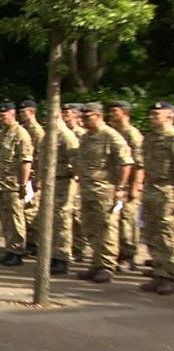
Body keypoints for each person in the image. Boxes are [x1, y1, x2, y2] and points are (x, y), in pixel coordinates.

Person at [76, 102, 133, 283]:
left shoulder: (110, 135)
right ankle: (96, 263)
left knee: (107, 228)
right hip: (87, 190)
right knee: (90, 228)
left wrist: (121, 188)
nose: (83, 120)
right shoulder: (85, 137)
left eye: (87, 117)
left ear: (98, 116)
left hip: (105, 191)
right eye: (82, 117)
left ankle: (107, 266)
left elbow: (126, 162)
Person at [0, 102, 33, 266]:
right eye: (0, 115)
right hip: (1, 184)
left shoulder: (21, 134)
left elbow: (26, 161)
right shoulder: (0, 134)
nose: (2, 118)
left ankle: (17, 251)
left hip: (14, 185)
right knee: (5, 219)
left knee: (16, 219)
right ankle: (9, 249)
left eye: (4, 115)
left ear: (12, 114)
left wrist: (23, 184)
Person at [139, 101, 174, 295]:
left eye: (156, 115)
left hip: (168, 188)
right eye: (151, 114)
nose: (152, 118)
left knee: (167, 233)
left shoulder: (172, 138)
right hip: (151, 187)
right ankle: (159, 272)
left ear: (170, 116)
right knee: (152, 231)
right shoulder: (150, 138)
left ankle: (170, 275)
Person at [108, 100, 144, 272]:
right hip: (114, 182)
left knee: (128, 221)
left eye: (114, 111)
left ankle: (128, 257)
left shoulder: (132, 134)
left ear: (124, 112)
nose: (111, 114)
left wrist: (135, 186)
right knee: (115, 221)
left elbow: (139, 164)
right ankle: (115, 254)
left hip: (129, 184)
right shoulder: (114, 132)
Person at [46, 117, 80, 274]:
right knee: (51, 220)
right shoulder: (49, 135)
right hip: (51, 183)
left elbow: (76, 162)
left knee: (62, 220)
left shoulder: (66, 136)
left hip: (64, 182)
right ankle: (53, 255)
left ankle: (62, 258)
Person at [62, 103, 88, 261]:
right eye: (64, 112)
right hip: (67, 178)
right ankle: (70, 246)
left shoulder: (81, 134)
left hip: (77, 179)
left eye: (68, 112)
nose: (65, 114)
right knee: (67, 215)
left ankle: (79, 247)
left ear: (77, 115)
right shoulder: (63, 133)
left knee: (77, 215)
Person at [19, 100, 45, 256]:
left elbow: (41, 157)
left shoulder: (38, 132)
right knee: (24, 211)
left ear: (32, 112)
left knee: (32, 211)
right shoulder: (23, 129)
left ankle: (34, 243)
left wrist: (40, 179)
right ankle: (28, 241)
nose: (21, 114)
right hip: (26, 176)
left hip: (34, 177)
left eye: (24, 112)